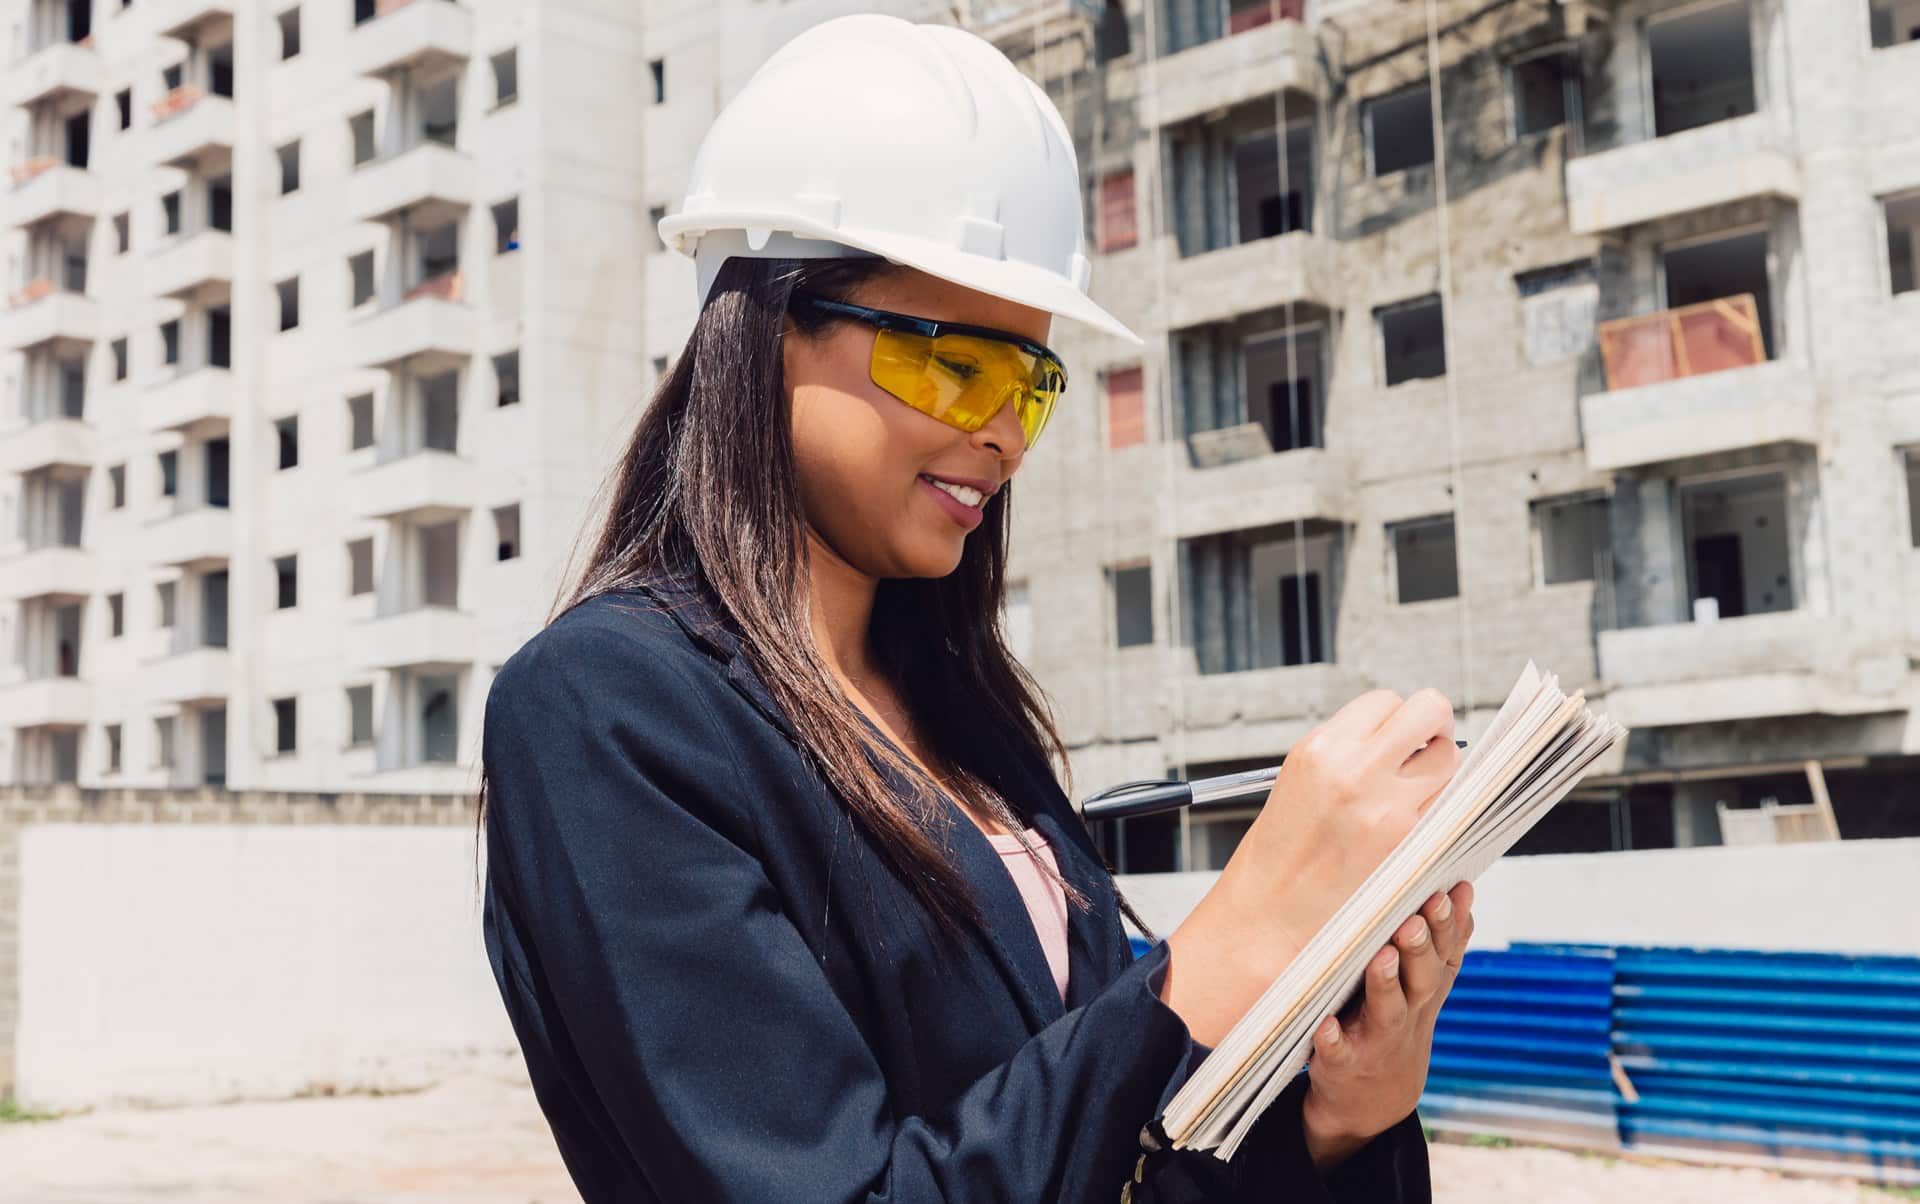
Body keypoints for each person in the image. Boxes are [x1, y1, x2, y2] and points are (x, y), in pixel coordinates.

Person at [477, 13, 1473, 1202]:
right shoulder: (607, 710)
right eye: (956, 362)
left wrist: (1345, 1120)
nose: (1003, 429)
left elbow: (1133, 1155)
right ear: (764, 322)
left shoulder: (968, 721)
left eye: (1033, 380)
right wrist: (1234, 939)